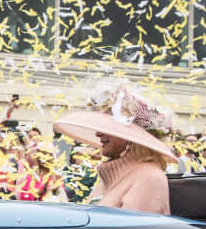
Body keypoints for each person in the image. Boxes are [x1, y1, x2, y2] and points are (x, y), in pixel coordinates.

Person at [53, 84, 177, 215]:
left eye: (109, 128)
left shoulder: (149, 178)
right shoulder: (110, 177)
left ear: (131, 137)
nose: (98, 134)